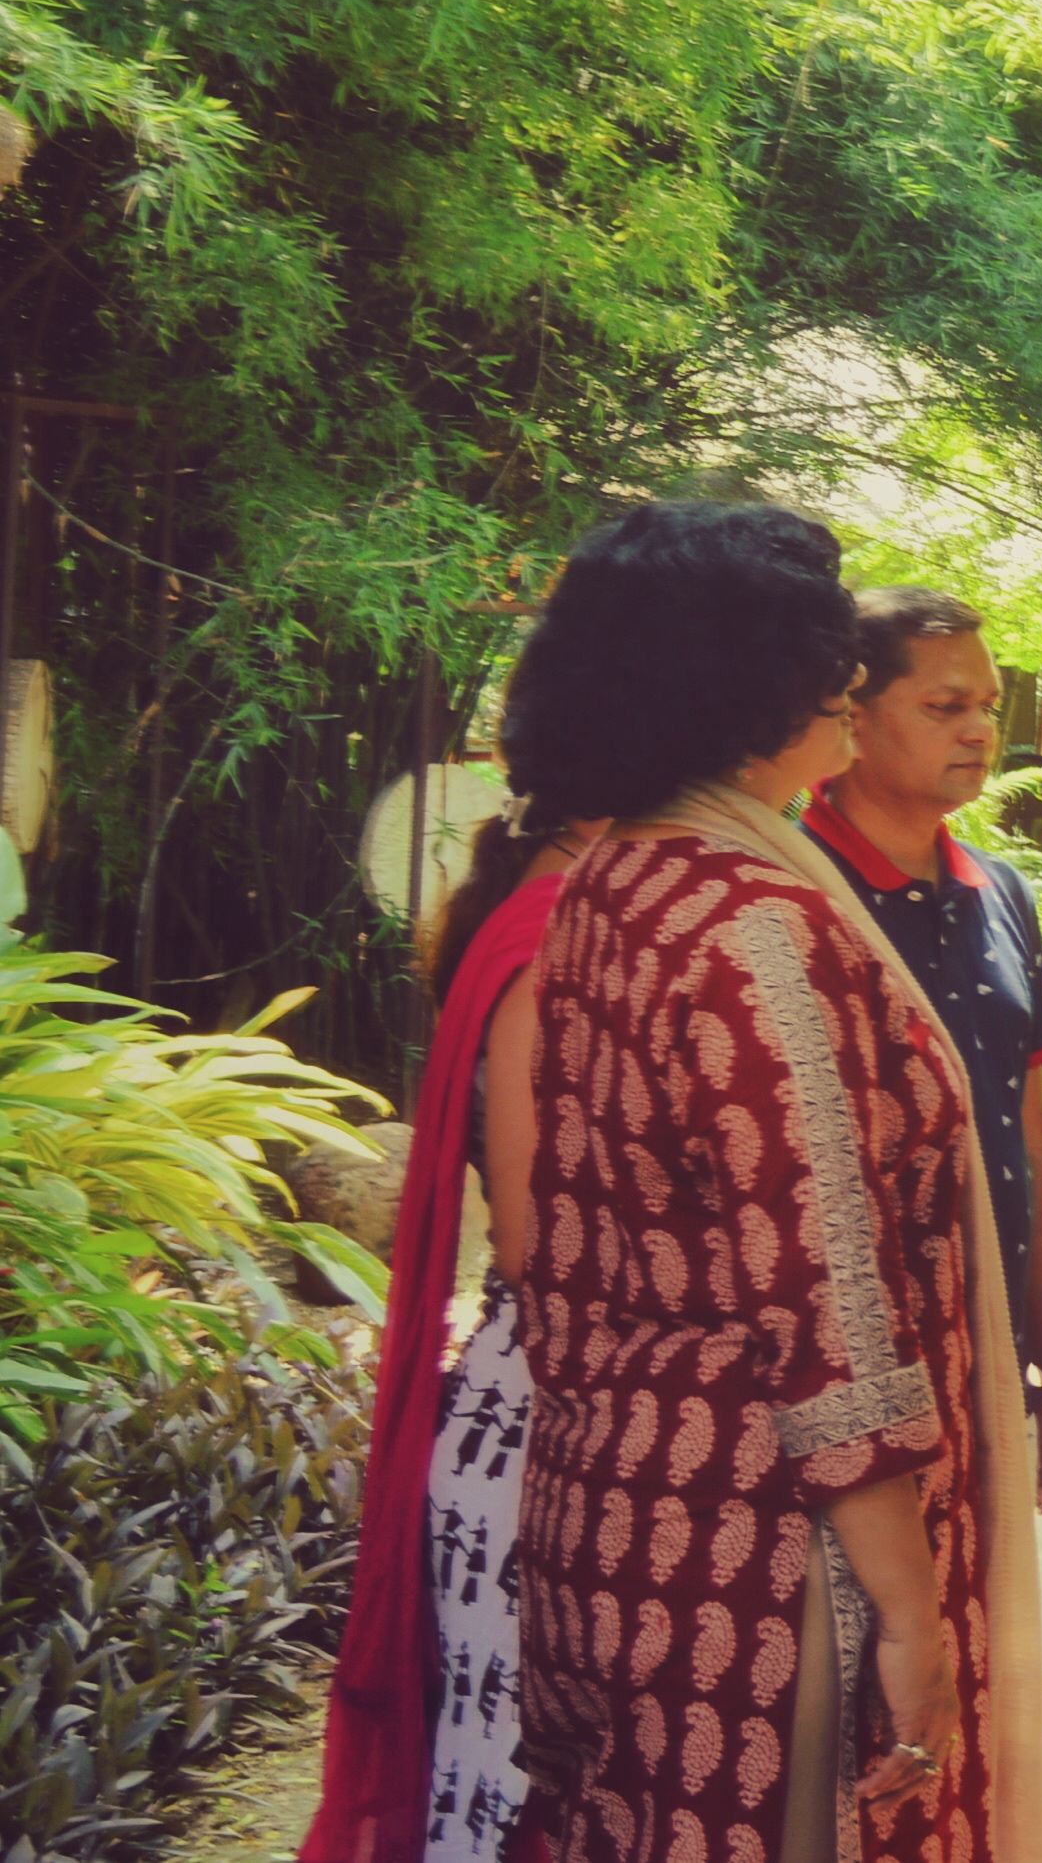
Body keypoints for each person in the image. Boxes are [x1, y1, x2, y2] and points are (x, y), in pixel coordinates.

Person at [507, 500, 1042, 1863]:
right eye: (824, 654)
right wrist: (912, 1613)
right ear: (756, 682)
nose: (846, 680)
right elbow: (826, 1303)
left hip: (613, 1521)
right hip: (755, 1561)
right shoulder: (757, 928)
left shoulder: (615, 880)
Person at [302, 796, 600, 1863]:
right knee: (513, 1784)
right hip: (543, 1413)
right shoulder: (554, 937)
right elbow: (529, 1240)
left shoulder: (536, 914)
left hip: (530, 1398)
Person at [804, 586, 1042, 1515]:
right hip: (844, 1389)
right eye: (944, 706)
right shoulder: (789, 891)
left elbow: (1028, 1150)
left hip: (992, 1362)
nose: (978, 731)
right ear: (851, 715)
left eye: (987, 707)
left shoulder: (1001, 893)